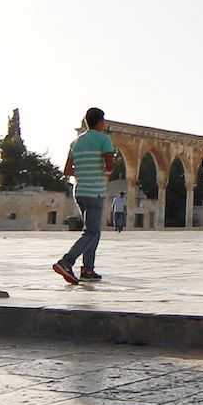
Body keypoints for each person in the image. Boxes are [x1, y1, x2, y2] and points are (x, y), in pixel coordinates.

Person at [53, 109, 119, 287]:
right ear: (99, 122)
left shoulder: (76, 142)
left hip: (80, 191)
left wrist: (82, 170)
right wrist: (102, 169)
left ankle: (87, 270)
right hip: (95, 192)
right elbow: (110, 166)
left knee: (93, 231)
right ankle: (66, 262)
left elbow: (67, 171)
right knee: (90, 232)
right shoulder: (103, 139)